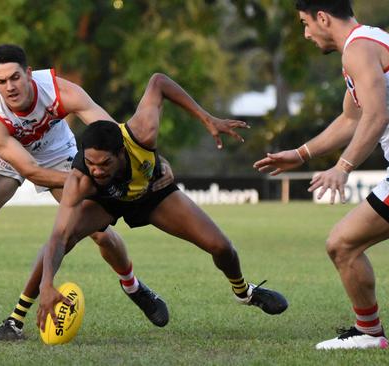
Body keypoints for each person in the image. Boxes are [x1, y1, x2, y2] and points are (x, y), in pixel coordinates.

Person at [0, 44, 173, 339]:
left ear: (28, 74)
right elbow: (29, 171)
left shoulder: (58, 90)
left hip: (58, 153)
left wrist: (150, 159)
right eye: (1, 82)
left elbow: (109, 131)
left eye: (15, 78)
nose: (10, 87)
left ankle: (133, 286)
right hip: (11, 157)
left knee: (100, 232)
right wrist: (85, 180)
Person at [33, 73, 288, 337]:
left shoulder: (142, 131)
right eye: (91, 163)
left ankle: (244, 292)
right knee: (64, 239)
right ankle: (17, 318)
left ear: (121, 153)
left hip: (154, 194)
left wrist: (206, 118)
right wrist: (47, 285)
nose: (96, 170)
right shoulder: (82, 178)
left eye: (105, 164)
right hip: (107, 201)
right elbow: (57, 235)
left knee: (221, 246)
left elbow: (157, 82)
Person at [254, 0, 389, 350]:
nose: (306, 33)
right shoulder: (369, 41)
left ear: (322, 18)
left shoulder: (356, 51)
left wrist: (342, 168)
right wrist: (300, 154)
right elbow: (352, 118)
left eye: (305, 23)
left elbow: (376, 117)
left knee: (342, 245)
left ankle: (369, 333)